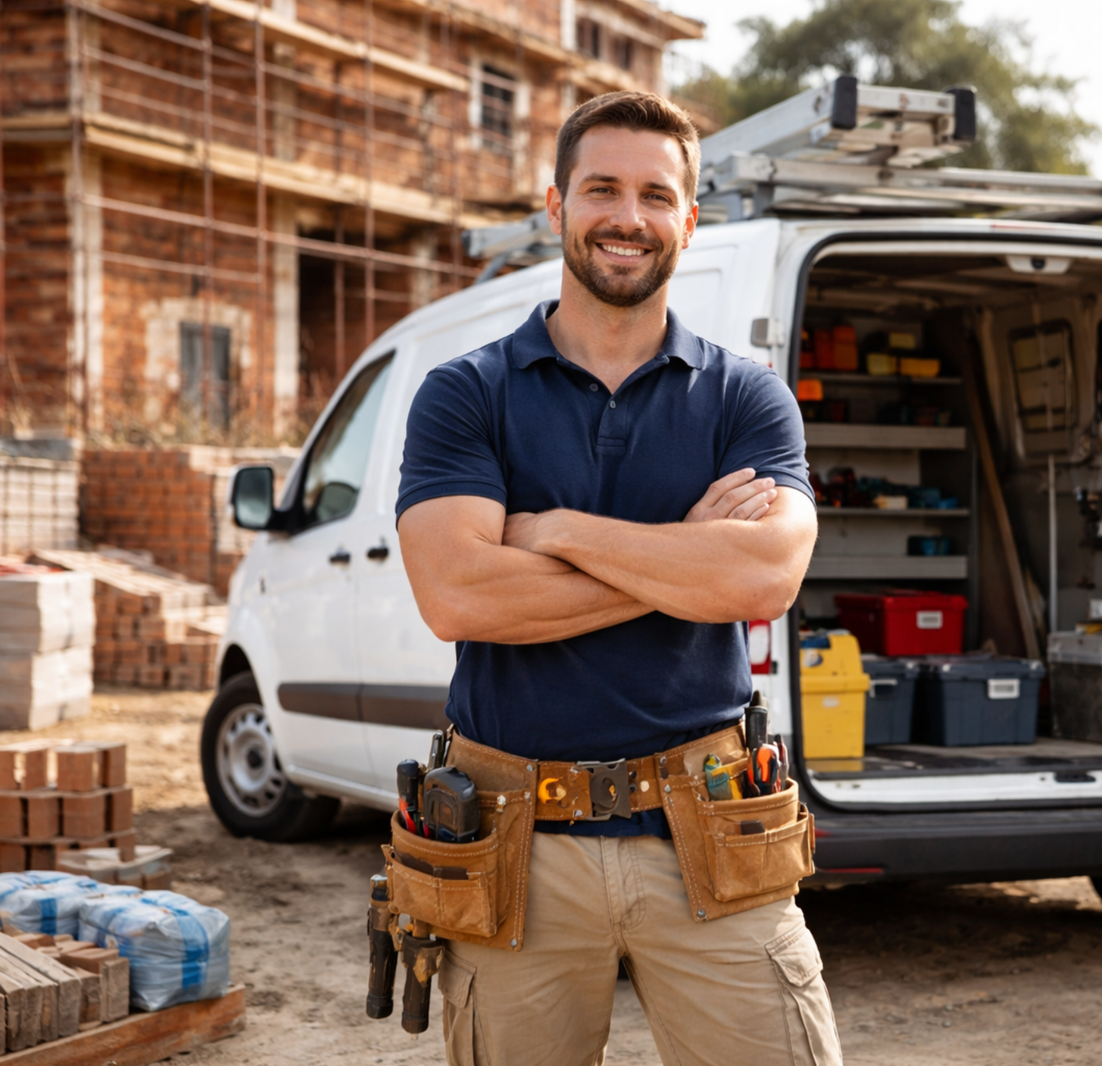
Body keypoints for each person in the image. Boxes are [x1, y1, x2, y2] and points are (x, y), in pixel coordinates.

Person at [395, 91, 840, 1066]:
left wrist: (555, 530)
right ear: (555, 206)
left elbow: (765, 574)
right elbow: (460, 597)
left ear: (690, 217)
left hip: (711, 828)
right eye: (601, 188)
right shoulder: (464, 395)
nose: (626, 216)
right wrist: (683, 555)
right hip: (513, 841)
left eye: (654, 193)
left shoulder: (745, 399)